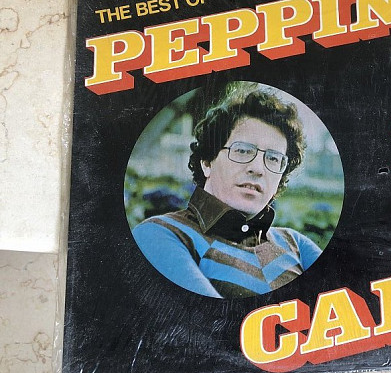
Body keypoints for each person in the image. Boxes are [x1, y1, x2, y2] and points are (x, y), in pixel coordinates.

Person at [132, 90, 322, 298]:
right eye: (242, 151)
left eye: (273, 158)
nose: (258, 168)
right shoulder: (161, 233)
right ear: (207, 162)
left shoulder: (297, 245)